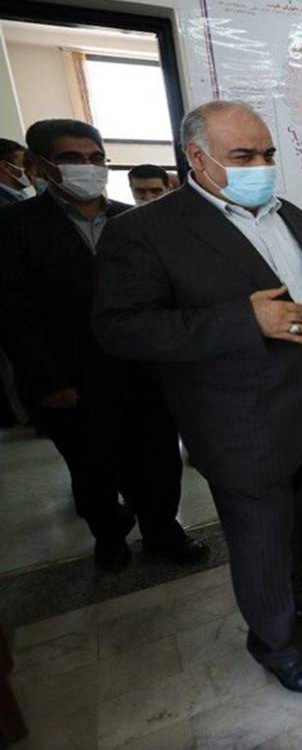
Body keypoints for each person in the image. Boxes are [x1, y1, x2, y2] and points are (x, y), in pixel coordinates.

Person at [92, 100, 302, 693]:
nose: (261, 167)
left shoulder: (296, 218)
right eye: (243, 156)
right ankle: (277, 644)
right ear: (198, 158)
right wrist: (242, 320)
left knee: (298, 523)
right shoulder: (144, 231)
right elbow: (120, 328)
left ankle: (287, 594)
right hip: (236, 422)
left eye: (268, 154)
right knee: (259, 538)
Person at [0, 119, 207, 571]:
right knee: (91, 467)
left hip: (143, 371)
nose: (87, 167)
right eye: (71, 158)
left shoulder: (134, 220)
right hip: (70, 378)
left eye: (96, 158)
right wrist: (47, 380)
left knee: (157, 460)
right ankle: (109, 537)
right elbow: (12, 313)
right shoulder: (13, 227)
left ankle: (163, 531)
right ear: (39, 164)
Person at [0, 139, 32, 205]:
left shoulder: (19, 194)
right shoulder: (3, 204)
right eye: (26, 164)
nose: (34, 171)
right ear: (6, 166)